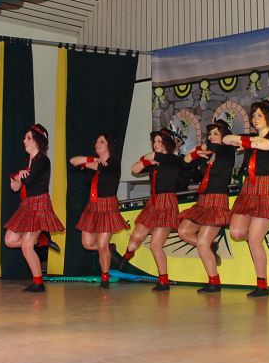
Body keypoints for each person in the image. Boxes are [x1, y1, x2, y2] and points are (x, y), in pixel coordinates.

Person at [223, 100, 269, 297]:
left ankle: (262, 285)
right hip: (249, 187)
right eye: (253, 116)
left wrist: (247, 143)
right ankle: (257, 237)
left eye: (259, 115)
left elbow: (267, 145)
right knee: (236, 232)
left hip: (267, 187)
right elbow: (226, 139)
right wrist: (246, 141)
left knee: (254, 241)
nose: (255, 119)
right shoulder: (250, 138)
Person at [177, 120, 238, 293]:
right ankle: (212, 246)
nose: (211, 137)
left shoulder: (227, 151)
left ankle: (214, 282)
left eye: (215, 133)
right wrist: (196, 154)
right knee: (184, 232)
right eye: (210, 134)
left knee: (202, 243)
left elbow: (215, 146)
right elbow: (183, 163)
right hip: (202, 201)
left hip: (217, 200)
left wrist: (200, 149)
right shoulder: (206, 156)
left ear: (224, 136)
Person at [122, 128, 184, 291]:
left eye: (159, 141)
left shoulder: (172, 159)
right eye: (154, 141)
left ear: (167, 143)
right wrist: (148, 161)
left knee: (156, 245)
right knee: (135, 237)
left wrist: (150, 158)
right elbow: (134, 169)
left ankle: (163, 280)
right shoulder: (155, 161)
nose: (156, 144)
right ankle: (128, 254)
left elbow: (154, 156)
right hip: (153, 202)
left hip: (167, 202)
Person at [5, 124, 65, 293]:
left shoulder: (43, 160)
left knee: (26, 246)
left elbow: (28, 180)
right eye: (25, 137)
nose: (24, 140)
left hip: (39, 204)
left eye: (28, 138)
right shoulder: (28, 162)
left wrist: (17, 176)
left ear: (38, 141)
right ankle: (42, 240)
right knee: (9, 240)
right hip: (27, 205)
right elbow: (16, 186)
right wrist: (17, 178)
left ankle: (38, 282)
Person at [72, 133, 128, 288]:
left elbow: (101, 167)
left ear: (109, 146)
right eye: (97, 141)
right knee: (87, 243)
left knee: (102, 244)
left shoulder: (114, 163)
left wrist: (94, 162)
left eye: (102, 141)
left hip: (108, 205)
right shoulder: (96, 163)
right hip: (93, 206)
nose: (98, 144)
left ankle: (105, 278)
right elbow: (73, 161)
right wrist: (93, 159)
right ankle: (111, 249)